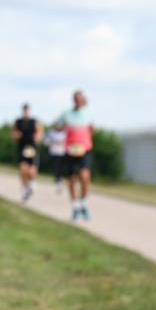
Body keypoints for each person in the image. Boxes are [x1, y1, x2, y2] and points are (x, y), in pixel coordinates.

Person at [59, 91, 95, 221]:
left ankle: (83, 203)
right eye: (76, 99)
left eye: (80, 99)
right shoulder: (66, 114)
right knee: (72, 179)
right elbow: (58, 126)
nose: (78, 101)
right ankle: (75, 207)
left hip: (84, 149)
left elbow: (92, 129)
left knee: (85, 176)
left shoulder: (88, 113)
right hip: (71, 150)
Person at [12, 104, 43, 202]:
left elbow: (40, 132)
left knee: (32, 171)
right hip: (22, 148)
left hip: (32, 148)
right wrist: (16, 136)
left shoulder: (34, 121)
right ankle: (24, 189)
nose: (26, 112)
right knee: (23, 169)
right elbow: (13, 134)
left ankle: (30, 183)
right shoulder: (18, 122)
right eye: (24, 110)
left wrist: (38, 137)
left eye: (27, 110)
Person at [44, 122, 68, 194]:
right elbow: (46, 142)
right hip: (54, 153)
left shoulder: (65, 133)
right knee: (56, 168)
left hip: (63, 153)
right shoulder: (51, 133)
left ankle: (61, 180)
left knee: (63, 168)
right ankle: (58, 182)